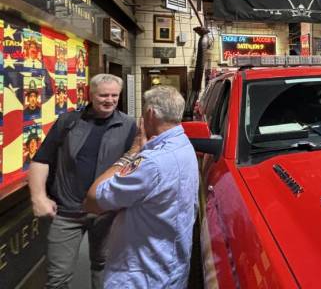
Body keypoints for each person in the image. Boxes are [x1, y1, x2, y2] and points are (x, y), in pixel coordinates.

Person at [28, 74, 137, 289]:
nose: (109, 100)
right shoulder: (69, 122)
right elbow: (41, 160)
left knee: (104, 268)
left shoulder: (128, 125)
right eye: (103, 95)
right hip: (66, 212)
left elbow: (133, 164)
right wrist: (38, 197)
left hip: (106, 213)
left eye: (114, 95)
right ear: (91, 94)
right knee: (57, 278)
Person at [85, 86, 199, 288]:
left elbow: (93, 199)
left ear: (150, 113)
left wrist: (133, 151)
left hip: (141, 277)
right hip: (170, 269)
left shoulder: (152, 162)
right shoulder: (183, 145)